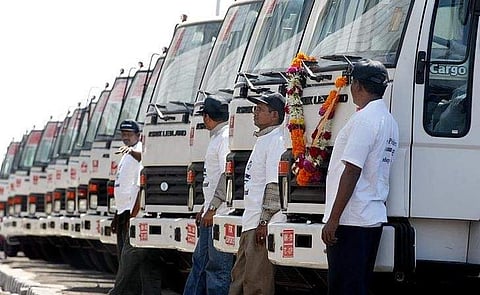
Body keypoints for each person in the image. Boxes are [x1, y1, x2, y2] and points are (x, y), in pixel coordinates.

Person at [321, 59, 399, 295]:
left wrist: (333, 220)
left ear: (357, 86)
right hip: (368, 216)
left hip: (351, 219)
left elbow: (352, 170)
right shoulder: (389, 120)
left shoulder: (364, 120)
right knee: (358, 285)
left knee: (344, 287)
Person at [229, 92, 287, 295]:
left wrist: (264, 222)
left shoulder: (276, 140)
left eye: (260, 109)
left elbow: (274, 183)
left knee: (256, 284)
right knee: (240, 279)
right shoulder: (263, 139)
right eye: (255, 108)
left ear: (275, 115)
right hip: (250, 222)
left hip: (260, 225)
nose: (255, 113)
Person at [183, 95, 234, 295]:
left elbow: (226, 175)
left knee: (217, 269)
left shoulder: (223, 139)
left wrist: (212, 208)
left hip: (219, 214)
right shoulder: (217, 138)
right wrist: (205, 207)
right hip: (210, 212)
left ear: (206, 117)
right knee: (200, 262)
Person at [109, 119, 163, 295]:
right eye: (123, 135)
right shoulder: (127, 154)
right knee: (136, 260)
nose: (125, 138)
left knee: (129, 259)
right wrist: (118, 215)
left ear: (138, 135)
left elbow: (142, 164)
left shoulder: (139, 150)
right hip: (124, 212)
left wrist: (134, 214)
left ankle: (118, 292)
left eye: (129, 135)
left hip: (135, 213)